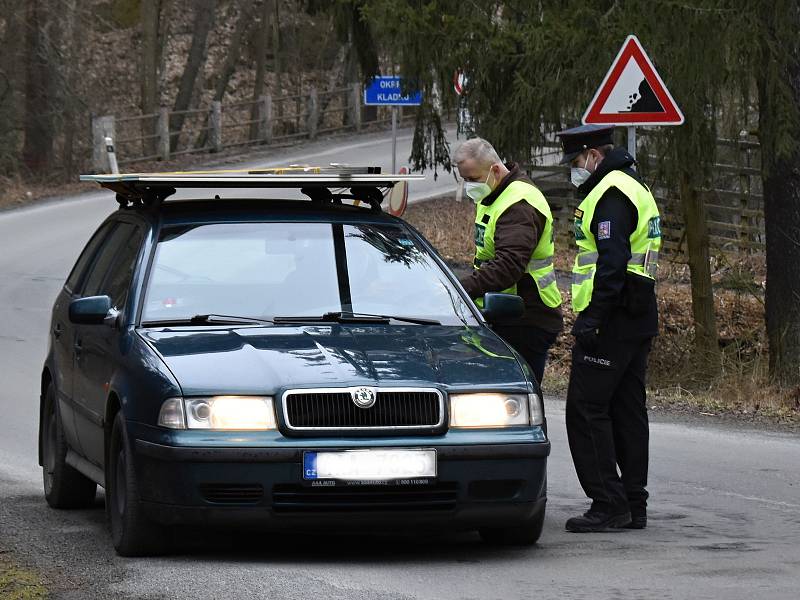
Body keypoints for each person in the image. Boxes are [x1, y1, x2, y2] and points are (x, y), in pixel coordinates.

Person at [555, 124, 661, 532]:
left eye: (577, 161)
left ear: (593, 156)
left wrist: (593, 319)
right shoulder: (634, 184)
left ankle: (608, 503)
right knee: (628, 410)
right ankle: (634, 503)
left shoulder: (612, 194)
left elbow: (611, 262)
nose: (575, 170)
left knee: (586, 409)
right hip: (637, 313)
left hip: (612, 317)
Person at [452, 138, 563, 384]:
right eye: (465, 179)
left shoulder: (518, 204)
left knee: (515, 399)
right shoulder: (494, 194)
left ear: (495, 169)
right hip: (505, 314)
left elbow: (508, 266)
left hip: (526, 317)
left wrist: (460, 288)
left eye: (473, 179)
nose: (470, 185)